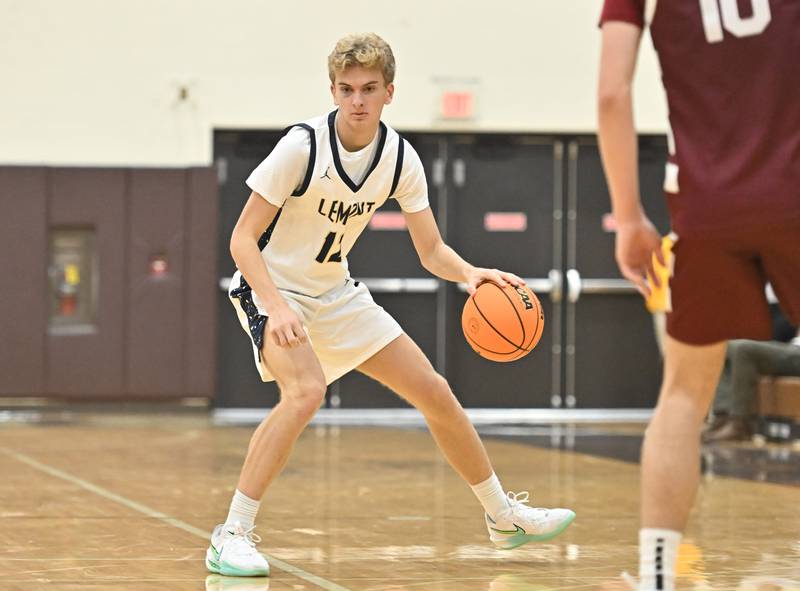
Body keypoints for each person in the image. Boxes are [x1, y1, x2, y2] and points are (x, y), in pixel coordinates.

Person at [206, 33, 575, 578]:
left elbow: (430, 250)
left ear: (389, 93)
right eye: (347, 89)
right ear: (332, 90)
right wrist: (275, 305)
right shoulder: (301, 147)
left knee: (435, 391)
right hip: (274, 287)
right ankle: (231, 533)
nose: (357, 100)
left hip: (335, 291)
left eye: (369, 89)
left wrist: (470, 273)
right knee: (306, 391)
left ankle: (503, 518)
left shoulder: (400, 158)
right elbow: (241, 239)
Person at [597, 2, 800, 590]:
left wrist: (630, 217)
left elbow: (612, 94)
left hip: (706, 203)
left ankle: (657, 578)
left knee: (684, 396)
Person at [704, 315, 800, 443]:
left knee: (743, 349)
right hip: (793, 346)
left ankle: (741, 424)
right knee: (728, 347)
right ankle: (723, 416)